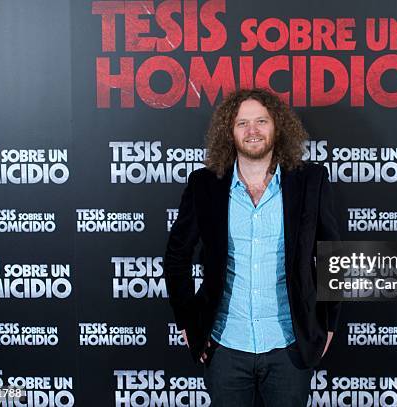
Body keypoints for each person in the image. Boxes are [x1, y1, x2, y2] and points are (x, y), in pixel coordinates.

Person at [164, 88, 341, 407]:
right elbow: (177, 255)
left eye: (261, 120)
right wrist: (187, 321)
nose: (253, 130)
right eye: (242, 123)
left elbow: (332, 253)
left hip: (289, 346)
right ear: (228, 132)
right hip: (225, 348)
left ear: (278, 127)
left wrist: (328, 326)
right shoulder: (204, 184)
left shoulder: (310, 180)